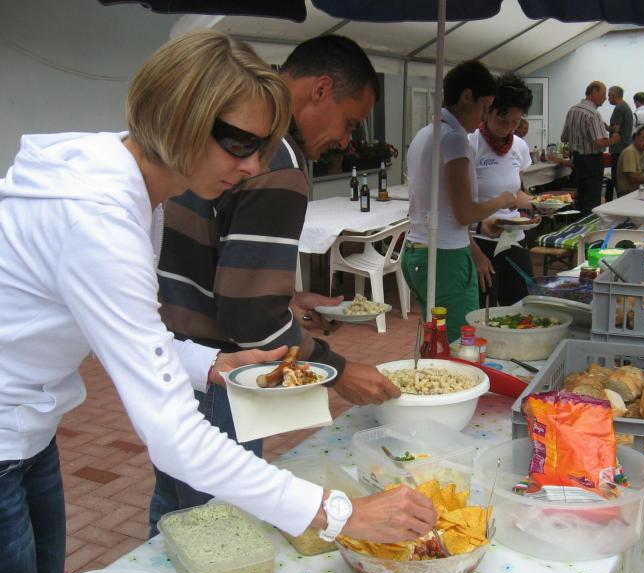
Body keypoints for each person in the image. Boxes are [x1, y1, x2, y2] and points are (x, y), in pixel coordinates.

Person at [0, 31, 435, 573]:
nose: (252, 164)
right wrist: (340, 513)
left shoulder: (136, 190)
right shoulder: (96, 220)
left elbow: (120, 330)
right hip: (6, 434)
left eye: (262, 146)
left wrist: (212, 362)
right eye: (238, 143)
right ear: (178, 117)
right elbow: (175, 438)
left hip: (31, 431)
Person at [150, 35, 404, 532]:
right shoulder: (277, 158)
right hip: (220, 374)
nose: (346, 142)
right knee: (220, 530)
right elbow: (248, 316)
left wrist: (284, 296)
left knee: (174, 519)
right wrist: (337, 370)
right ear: (321, 90)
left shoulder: (218, 141)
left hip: (175, 360)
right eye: (350, 123)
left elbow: (214, 263)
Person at [402, 61, 526, 342]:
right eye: (485, 107)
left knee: (436, 339)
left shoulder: (426, 133)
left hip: (417, 250)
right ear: (467, 97)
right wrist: (501, 201)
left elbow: (443, 206)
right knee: (460, 344)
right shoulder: (455, 139)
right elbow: (464, 213)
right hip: (445, 257)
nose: (483, 117)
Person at [468, 73, 535, 306]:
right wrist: (476, 255)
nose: (508, 128)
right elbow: (457, 208)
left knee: (521, 307)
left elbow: (518, 192)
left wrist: (536, 204)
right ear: (487, 111)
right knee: (483, 313)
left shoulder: (519, 146)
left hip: (514, 237)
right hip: (480, 239)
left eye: (515, 122)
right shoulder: (471, 144)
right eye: (502, 120)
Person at [560, 81, 620, 214]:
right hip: (592, 160)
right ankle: (588, 225)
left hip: (577, 160)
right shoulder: (593, 114)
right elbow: (599, 143)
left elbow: (563, 138)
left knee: (581, 198)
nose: (605, 98)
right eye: (603, 94)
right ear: (593, 92)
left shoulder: (572, 110)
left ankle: (578, 224)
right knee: (592, 200)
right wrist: (613, 140)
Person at [605, 86, 633, 201]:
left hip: (619, 148)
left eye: (609, 96)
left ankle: (621, 201)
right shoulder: (625, 106)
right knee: (621, 177)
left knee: (617, 177)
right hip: (625, 146)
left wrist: (605, 126)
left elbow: (615, 129)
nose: (608, 98)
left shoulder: (619, 108)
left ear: (614, 95)